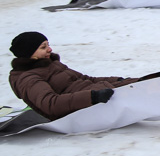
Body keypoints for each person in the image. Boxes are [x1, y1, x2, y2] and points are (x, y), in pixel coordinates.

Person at [8, 32, 138, 120]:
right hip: (84, 107)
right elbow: (51, 104)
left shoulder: (51, 64)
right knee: (142, 91)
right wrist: (93, 97)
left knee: (143, 82)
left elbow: (86, 79)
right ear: (30, 53)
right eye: (43, 47)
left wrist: (118, 80)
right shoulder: (28, 78)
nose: (50, 49)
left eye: (48, 45)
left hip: (98, 93)